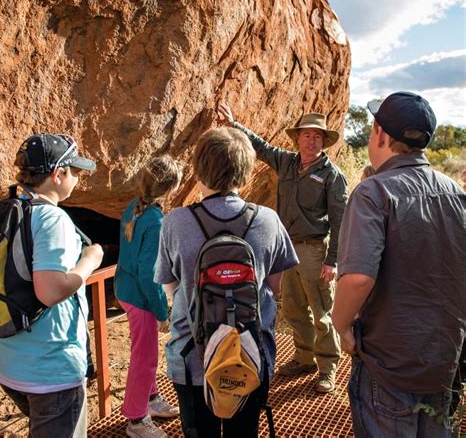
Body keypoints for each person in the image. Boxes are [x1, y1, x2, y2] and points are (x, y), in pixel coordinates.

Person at [333, 91, 465, 437]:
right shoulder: (455, 192)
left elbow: (358, 278)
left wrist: (341, 324)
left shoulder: (373, 192)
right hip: (442, 364)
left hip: (387, 367)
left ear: (378, 133)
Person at [154, 127, 298, 437]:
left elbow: (170, 286)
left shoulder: (175, 222)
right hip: (249, 353)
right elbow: (274, 287)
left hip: (192, 358)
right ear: (246, 174)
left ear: (199, 170)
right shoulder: (268, 220)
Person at [218, 103, 347, 393]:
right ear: (297, 138)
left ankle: (327, 368)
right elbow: (261, 147)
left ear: (323, 141)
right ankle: (304, 358)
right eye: (306, 135)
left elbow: (341, 221)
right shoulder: (287, 162)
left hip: (315, 251)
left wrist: (333, 260)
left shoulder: (332, 176)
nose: (311, 141)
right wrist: (233, 123)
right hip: (286, 248)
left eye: (317, 136)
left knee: (322, 311)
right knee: (294, 309)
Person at [0, 134, 104, 437]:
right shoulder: (52, 219)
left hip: (8, 360)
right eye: (75, 172)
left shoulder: (6, 210)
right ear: (58, 174)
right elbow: (50, 291)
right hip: (50, 370)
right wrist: (91, 260)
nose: (78, 178)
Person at [115, 155, 183, 438]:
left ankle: (151, 399)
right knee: (144, 358)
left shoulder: (135, 207)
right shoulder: (156, 221)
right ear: (168, 189)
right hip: (141, 299)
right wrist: (161, 311)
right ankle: (137, 418)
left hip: (125, 290)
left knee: (146, 355)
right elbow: (148, 274)